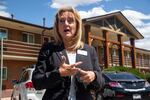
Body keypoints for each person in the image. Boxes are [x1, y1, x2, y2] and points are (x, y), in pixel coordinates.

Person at [32, 7, 104, 100]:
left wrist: (94, 76)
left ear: (77, 25)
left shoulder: (90, 50)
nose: (66, 23)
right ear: (57, 26)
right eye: (61, 21)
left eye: (70, 20)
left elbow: (101, 83)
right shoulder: (48, 49)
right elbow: (37, 82)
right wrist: (58, 73)